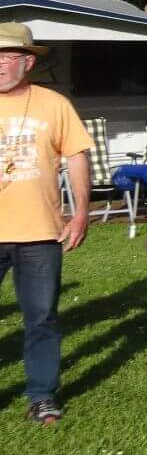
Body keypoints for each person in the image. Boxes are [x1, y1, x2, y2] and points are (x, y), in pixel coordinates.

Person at [0, 23, 92, 425]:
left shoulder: (54, 104)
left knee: (41, 318)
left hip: (40, 233)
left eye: (7, 56)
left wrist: (82, 212)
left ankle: (41, 396)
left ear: (28, 61)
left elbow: (76, 157)